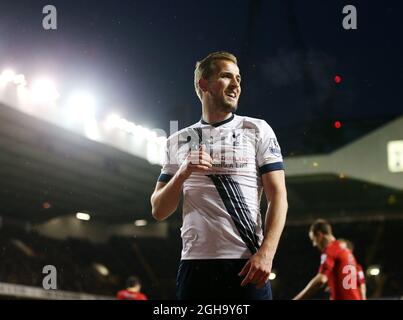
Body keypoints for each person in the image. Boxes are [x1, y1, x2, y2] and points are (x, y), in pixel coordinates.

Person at [150, 51, 288, 300]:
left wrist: (267, 253)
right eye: (226, 77)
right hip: (195, 266)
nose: (236, 85)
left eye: (238, 79)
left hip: (246, 263)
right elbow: (158, 210)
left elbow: (278, 197)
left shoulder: (257, 129)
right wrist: (183, 172)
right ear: (204, 84)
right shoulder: (177, 140)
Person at [293, 219, 363, 300]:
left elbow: (321, 279)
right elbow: (359, 285)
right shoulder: (346, 252)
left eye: (314, 240)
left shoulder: (331, 249)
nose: (314, 245)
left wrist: (297, 298)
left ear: (319, 235)